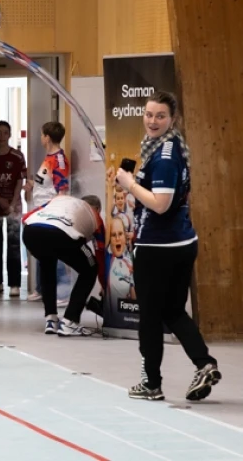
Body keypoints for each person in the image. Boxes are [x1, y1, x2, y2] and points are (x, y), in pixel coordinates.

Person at [112, 90, 220, 402]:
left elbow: (160, 204)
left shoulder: (165, 157)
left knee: (149, 316)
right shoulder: (167, 147)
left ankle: (151, 383)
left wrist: (130, 184)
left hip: (159, 248)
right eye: (149, 114)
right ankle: (204, 363)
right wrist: (131, 185)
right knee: (172, 310)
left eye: (160, 116)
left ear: (172, 119)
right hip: (181, 242)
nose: (152, 121)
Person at [22, 194, 105, 336]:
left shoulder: (60, 200)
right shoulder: (95, 216)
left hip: (30, 232)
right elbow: (100, 253)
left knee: (47, 263)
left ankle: (51, 319)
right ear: (97, 209)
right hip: (61, 234)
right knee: (91, 269)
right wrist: (104, 285)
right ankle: (69, 321)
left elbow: (26, 218)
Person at [25, 121, 70, 302]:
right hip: (40, 212)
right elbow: (46, 183)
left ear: (48, 138)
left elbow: (62, 189)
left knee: (53, 251)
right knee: (40, 249)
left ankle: (63, 292)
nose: (41, 138)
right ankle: (41, 288)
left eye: (42, 135)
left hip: (50, 214)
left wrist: (56, 213)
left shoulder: (59, 160)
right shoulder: (48, 158)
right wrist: (31, 185)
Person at [0, 121, 26, 297]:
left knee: (14, 244)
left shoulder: (17, 156)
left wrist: (12, 204)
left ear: (10, 135)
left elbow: (19, 182)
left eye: (5, 133)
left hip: (13, 207)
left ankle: (15, 284)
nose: (2, 136)